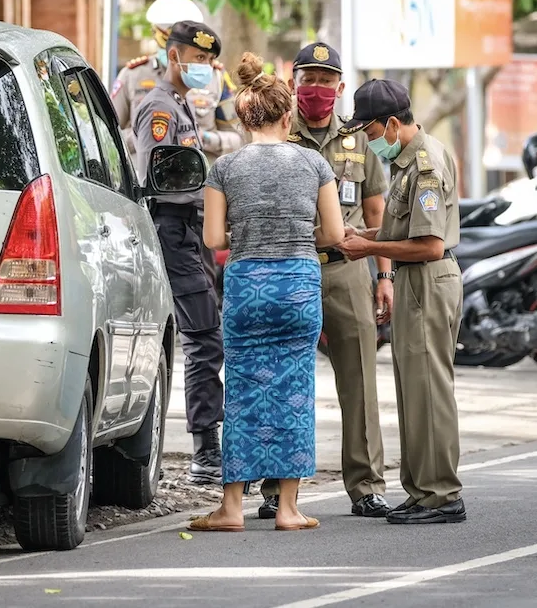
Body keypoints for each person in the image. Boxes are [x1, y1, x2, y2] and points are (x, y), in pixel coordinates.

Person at [188, 52, 344, 532]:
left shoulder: (225, 168)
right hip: (298, 284)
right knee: (295, 388)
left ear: (243, 116)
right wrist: (297, 236)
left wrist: (250, 236)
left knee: (242, 390)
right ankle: (290, 510)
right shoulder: (314, 162)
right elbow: (335, 234)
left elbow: (214, 239)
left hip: (248, 285)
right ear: (288, 115)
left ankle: (232, 508)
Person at [257, 42, 392, 520]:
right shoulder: (277, 135)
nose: (316, 88)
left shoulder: (358, 142)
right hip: (290, 267)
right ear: (294, 82)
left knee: (358, 379)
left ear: (339, 86)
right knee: (283, 378)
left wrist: (384, 276)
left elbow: (375, 212)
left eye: (325, 79)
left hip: (347, 269)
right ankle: (275, 487)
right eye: (308, 78)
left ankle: (366, 486)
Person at [337, 79, 466, 525]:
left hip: (428, 279)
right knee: (414, 389)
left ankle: (442, 494)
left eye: (370, 133)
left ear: (392, 124)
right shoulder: (407, 162)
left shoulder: (425, 165)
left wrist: (369, 251)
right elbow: (402, 230)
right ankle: (421, 490)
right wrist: (366, 236)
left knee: (429, 390)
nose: (368, 142)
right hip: (416, 281)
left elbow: (429, 245)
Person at [132, 20, 224, 486]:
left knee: (204, 335)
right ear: (175, 57)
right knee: (204, 336)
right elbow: (160, 175)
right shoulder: (159, 108)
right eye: (200, 60)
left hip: (193, 231)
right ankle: (206, 453)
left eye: (209, 62)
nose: (206, 68)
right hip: (171, 229)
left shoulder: (183, 106)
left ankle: (207, 446)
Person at [111, 0, 244, 290]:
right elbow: (107, 135)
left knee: (200, 288)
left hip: (199, 203)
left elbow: (239, 136)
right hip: (147, 203)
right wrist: (145, 137)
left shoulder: (214, 78)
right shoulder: (134, 75)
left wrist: (205, 140)